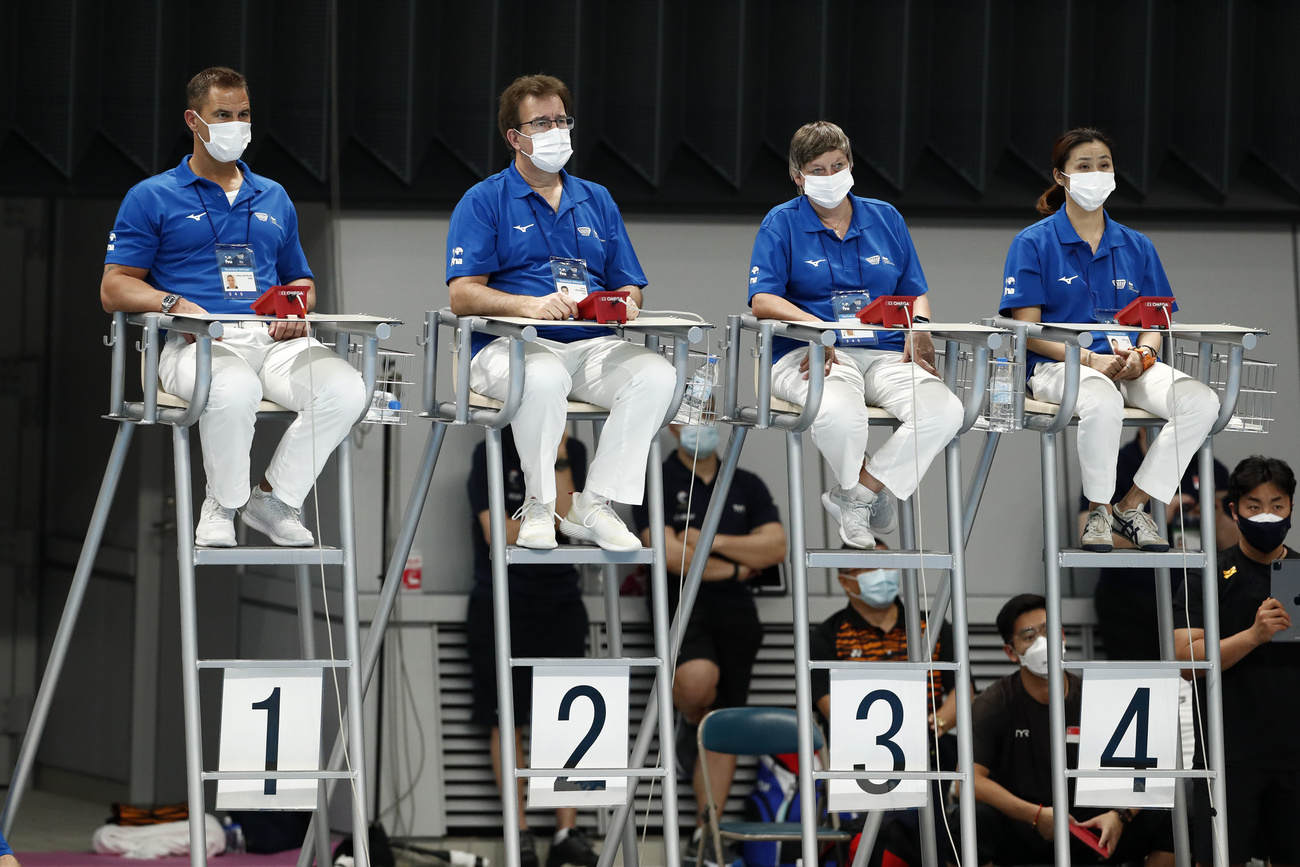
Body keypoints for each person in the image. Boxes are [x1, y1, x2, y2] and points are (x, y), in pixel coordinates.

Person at [100, 67, 366, 549]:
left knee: (347, 389)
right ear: (193, 121)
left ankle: (274, 499)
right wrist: (174, 302)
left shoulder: (274, 195)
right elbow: (114, 288)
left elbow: (301, 280)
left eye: (243, 115)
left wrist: (296, 308)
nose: (236, 126)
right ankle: (221, 504)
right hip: (195, 343)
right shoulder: (151, 196)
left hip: (273, 341)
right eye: (222, 115)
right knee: (235, 387)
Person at [446, 73, 676, 552]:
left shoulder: (597, 198)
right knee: (544, 374)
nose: (556, 131)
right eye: (541, 123)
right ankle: (538, 502)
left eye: (561, 120)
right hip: (509, 346)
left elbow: (629, 282)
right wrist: (528, 304)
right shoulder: (484, 199)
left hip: (590, 343)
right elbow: (463, 295)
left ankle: (594, 503)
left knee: (656, 375)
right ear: (515, 137)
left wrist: (626, 303)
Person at [1000, 127, 1219, 554]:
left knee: (1201, 402)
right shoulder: (1032, 242)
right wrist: (1087, 361)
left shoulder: (1137, 245)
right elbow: (1027, 330)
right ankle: (1098, 511)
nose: (1096, 174)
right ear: (1061, 177)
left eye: (1104, 165)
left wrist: (1146, 353)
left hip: (1127, 363)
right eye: (1084, 166)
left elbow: (1155, 320)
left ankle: (1131, 505)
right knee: (1102, 398)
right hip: (1059, 366)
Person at [748, 121, 963, 550]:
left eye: (838, 165)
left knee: (945, 411)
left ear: (851, 166)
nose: (830, 177)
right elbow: (762, 300)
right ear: (798, 178)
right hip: (813, 352)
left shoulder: (885, 217)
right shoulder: (781, 223)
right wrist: (819, 328)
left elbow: (914, 291)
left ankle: (857, 494)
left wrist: (919, 326)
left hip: (884, 351)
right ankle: (866, 491)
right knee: (840, 414)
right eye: (818, 169)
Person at [631, 420, 786, 851]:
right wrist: (738, 565)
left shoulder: (745, 482)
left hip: (737, 614)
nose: (702, 426)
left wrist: (706, 540)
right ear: (671, 428)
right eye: (690, 418)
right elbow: (669, 556)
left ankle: (707, 832)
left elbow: (775, 547)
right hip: (680, 604)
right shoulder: (656, 479)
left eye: (709, 417)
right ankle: (688, 718)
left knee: (724, 721)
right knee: (697, 684)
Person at [465, 427, 599, 867]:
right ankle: (518, 832)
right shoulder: (490, 449)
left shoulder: (574, 450)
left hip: (560, 599)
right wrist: (545, 525)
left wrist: (559, 458)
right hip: (500, 599)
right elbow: (495, 532)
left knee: (567, 713)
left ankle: (566, 829)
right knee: (507, 718)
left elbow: (569, 522)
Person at [967, 594, 1175, 866]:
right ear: (1011, 652)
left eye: (1048, 630)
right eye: (1029, 636)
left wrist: (1119, 815)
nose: (1043, 642)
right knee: (969, 820)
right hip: (1024, 825)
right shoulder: (994, 703)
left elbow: (1144, 772)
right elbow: (968, 780)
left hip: (1091, 825)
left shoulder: (1096, 695)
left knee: (1174, 814)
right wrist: (1035, 815)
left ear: (1062, 635)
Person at [1174, 456, 1300, 867]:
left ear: (1291, 509)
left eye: (1277, 505)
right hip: (1228, 760)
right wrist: (1253, 636)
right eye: (1254, 505)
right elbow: (1185, 659)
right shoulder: (1207, 573)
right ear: (1234, 510)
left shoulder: (1298, 572)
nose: (1267, 515)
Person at [811, 549, 958, 863]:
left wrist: (939, 724)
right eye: (869, 568)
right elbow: (829, 708)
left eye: (888, 564)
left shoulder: (930, 626)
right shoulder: (829, 635)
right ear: (846, 581)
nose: (883, 573)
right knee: (899, 822)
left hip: (933, 743)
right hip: (863, 754)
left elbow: (963, 693)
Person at [1075, 427, 1237, 661]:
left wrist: (1215, 517)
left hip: (1192, 597)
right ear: (1144, 429)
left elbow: (1235, 545)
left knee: (1193, 684)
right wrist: (1157, 515)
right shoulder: (1114, 467)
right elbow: (1086, 533)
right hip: (1129, 600)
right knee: (1136, 683)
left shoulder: (1206, 466)